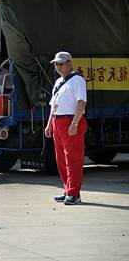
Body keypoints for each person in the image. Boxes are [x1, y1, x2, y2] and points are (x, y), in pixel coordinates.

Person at [44, 51, 87, 206]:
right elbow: (53, 106)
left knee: (73, 159)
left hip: (70, 121)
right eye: (56, 64)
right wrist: (50, 124)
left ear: (69, 63)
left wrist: (75, 123)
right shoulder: (59, 82)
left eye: (61, 64)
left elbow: (81, 103)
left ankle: (74, 194)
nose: (58, 67)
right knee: (61, 159)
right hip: (58, 122)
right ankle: (68, 189)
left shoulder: (77, 80)